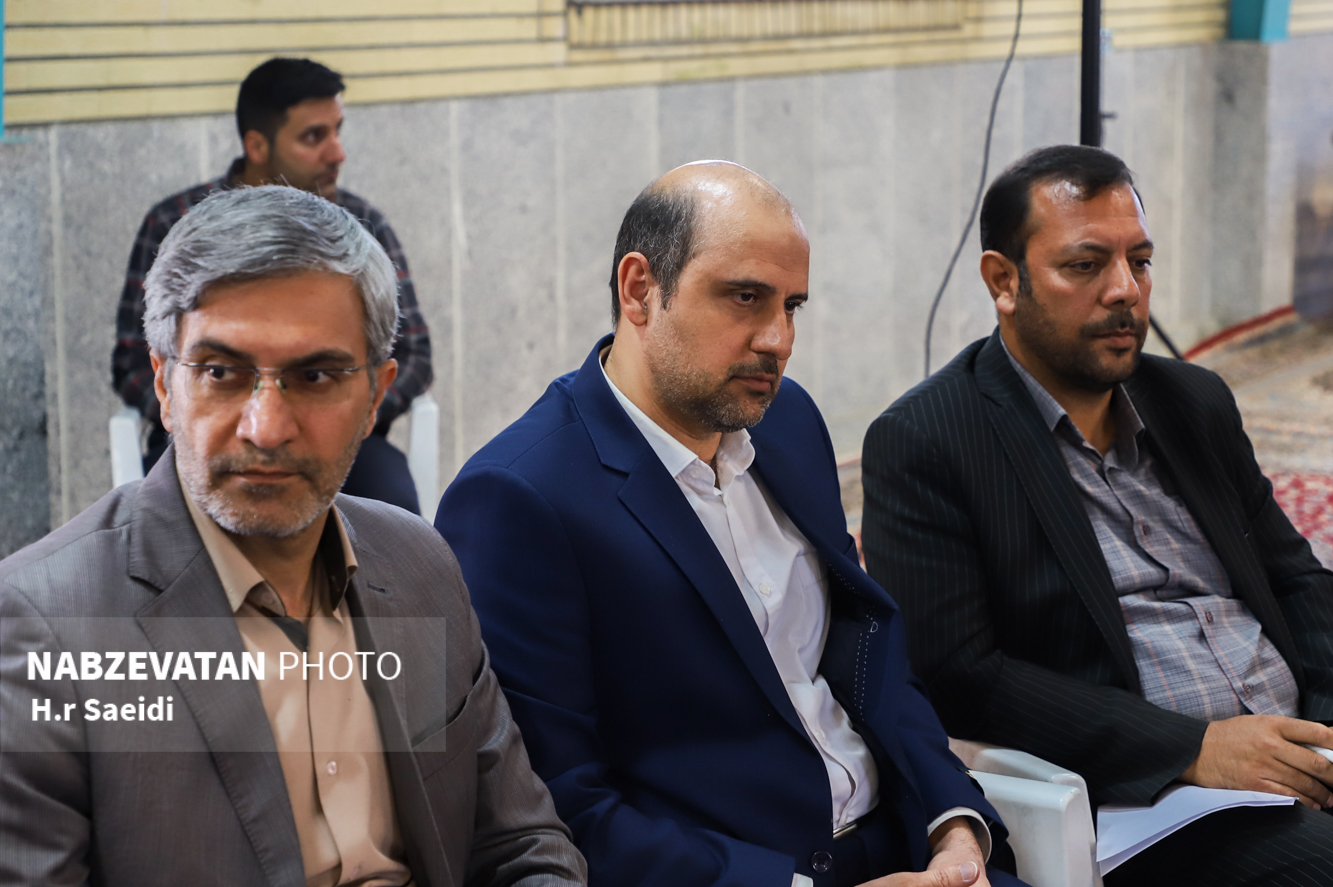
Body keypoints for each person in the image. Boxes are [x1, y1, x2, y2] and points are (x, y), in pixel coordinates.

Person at [435, 161, 1025, 887]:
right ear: (639, 289)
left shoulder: (788, 423)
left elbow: (869, 655)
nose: (778, 338)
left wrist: (953, 825)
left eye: (792, 306)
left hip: (909, 850)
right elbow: (556, 808)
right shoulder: (520, 496)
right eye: (744, 297)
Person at [1, 186, 585, 887]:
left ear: (375, 397)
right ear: (162, 384)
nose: (267, 428)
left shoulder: (419, 563)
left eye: (314, 376)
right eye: (221, 372)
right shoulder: (44, 626)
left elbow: (521, 844)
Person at [861, 145, 1333, 886]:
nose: (1125, 291)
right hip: (1155, 801)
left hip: (1295, 753)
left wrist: (1321, 731)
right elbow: (957, 676)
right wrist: (1193, 749)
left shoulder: (1191, 401)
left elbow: (1296, 578)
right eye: (1084, 266)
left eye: (1139, 262)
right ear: (1003, 280)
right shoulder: (929, 439)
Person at [111, 57, 430, 513]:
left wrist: (344, 412)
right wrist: (199, 415)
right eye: (314, 137)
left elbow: (414, 352)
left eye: (337, 131)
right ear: (257, 145)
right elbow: (132, 362)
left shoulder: (363, 228)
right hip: (194, 441)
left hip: (344, 442)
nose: (337, 153)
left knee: (393, 509)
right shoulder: (175, 224)